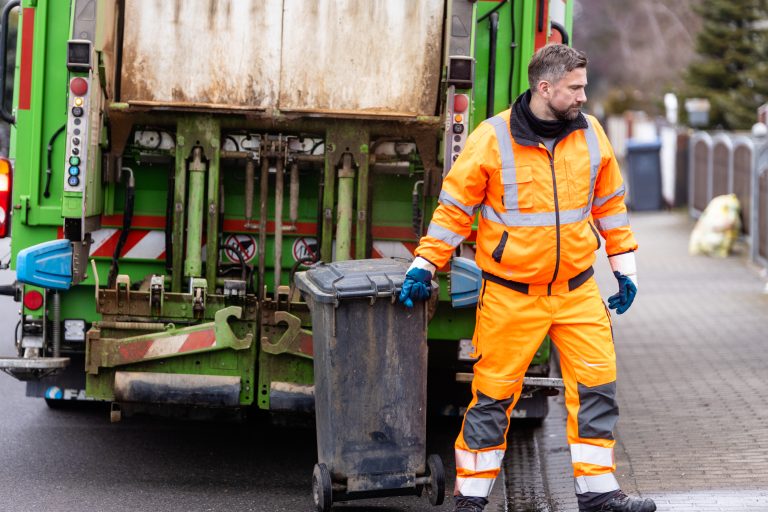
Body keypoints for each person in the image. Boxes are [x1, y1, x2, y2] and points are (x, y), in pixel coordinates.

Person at [398, 44, 656, 512]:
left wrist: (624, 269)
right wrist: (425, 263)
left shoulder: (591, 134)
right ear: (546, 87)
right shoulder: (492, 138)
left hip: (578, 292)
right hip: (511, 297)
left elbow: (610, 206)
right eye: (575, 87)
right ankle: (471, 499)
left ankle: (598, 493)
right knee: (493, 398)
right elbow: (455, 210)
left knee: (598, 387)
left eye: (583, 86)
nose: (582, 95)